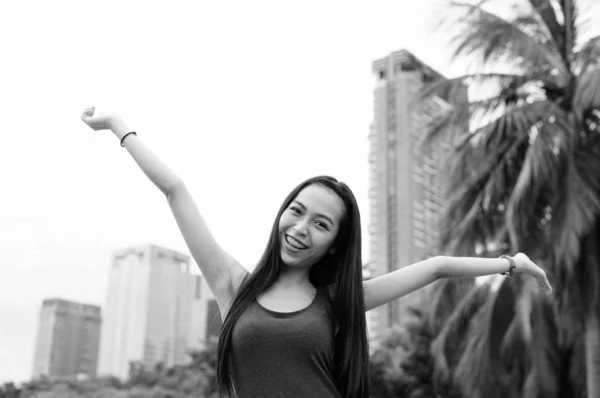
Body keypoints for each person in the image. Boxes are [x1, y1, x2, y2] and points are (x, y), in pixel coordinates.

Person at [81, 107, 553, 398]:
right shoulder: (233, 285)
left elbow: (436, 268)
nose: (301, 228)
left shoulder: (338, 302)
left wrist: (512, 263)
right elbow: (174, 189)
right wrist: (119, 125)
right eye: (297, 211)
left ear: (334, 244)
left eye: (321, 224)